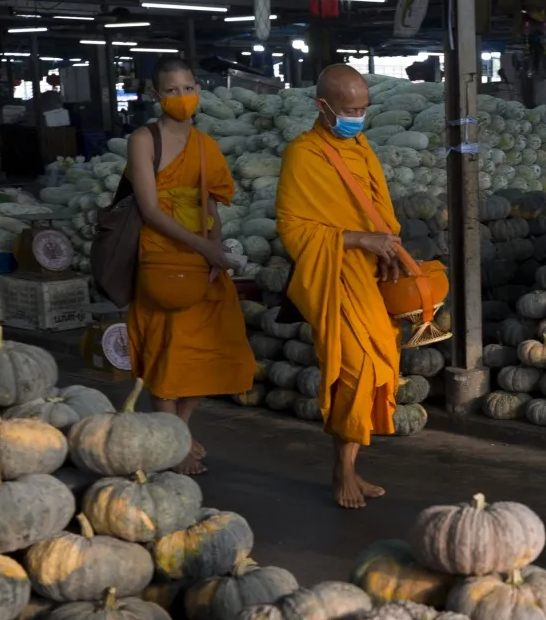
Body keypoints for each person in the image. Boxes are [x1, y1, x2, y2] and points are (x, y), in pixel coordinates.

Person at [276, 63, 407, 510]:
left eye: (363, 108)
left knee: (380, 364)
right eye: (349, 109)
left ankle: (351, 465)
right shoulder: (302, 153)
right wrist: (355, 240)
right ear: (323, 107)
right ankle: (342, 472)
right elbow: (293, 228)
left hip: (365, 275)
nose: (358, 117)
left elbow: (378, 208)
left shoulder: (362, 145)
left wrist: (387, 248)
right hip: (331, 275)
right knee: (353, 370)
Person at [123, 55, 255, 475]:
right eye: (171, 90)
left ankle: (177, 432)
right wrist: (204, 247)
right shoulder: (144, 140)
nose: (182, 97)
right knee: (166, 348)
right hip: (161, 255)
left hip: (203, 254)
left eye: (188, 88)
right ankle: (173, 443)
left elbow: (211, 202)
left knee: (214, 345)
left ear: (199, 88)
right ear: (155, 95)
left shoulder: (205, 145)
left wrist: (215, 248)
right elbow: (149, 210)